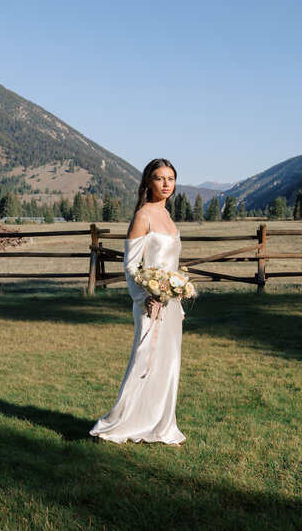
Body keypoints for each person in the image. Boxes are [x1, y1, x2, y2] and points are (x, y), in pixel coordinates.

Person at [90, 158, 186, 445]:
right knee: (144, 360)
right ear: (148, 182)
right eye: (160, 178)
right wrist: (146, 297)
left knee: (169, 363)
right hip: (149, 303)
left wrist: (177, 292)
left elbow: (172, 263)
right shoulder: (143, 216)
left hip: (170, 304)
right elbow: (131, 266)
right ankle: (119, 424)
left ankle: (160, 425)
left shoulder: (169, 218)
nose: (166, 183)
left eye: (170, 178)